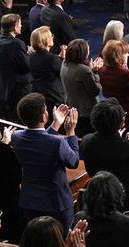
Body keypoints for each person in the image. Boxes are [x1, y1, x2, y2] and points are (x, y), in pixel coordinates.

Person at [10, 94, 80, 228]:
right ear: (44, 117)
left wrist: (55, 124)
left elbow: (40, 140)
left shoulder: (16, 137)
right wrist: (71, 132)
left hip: (29, 202)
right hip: (57, 204)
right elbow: (74, 162)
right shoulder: (58, 142)